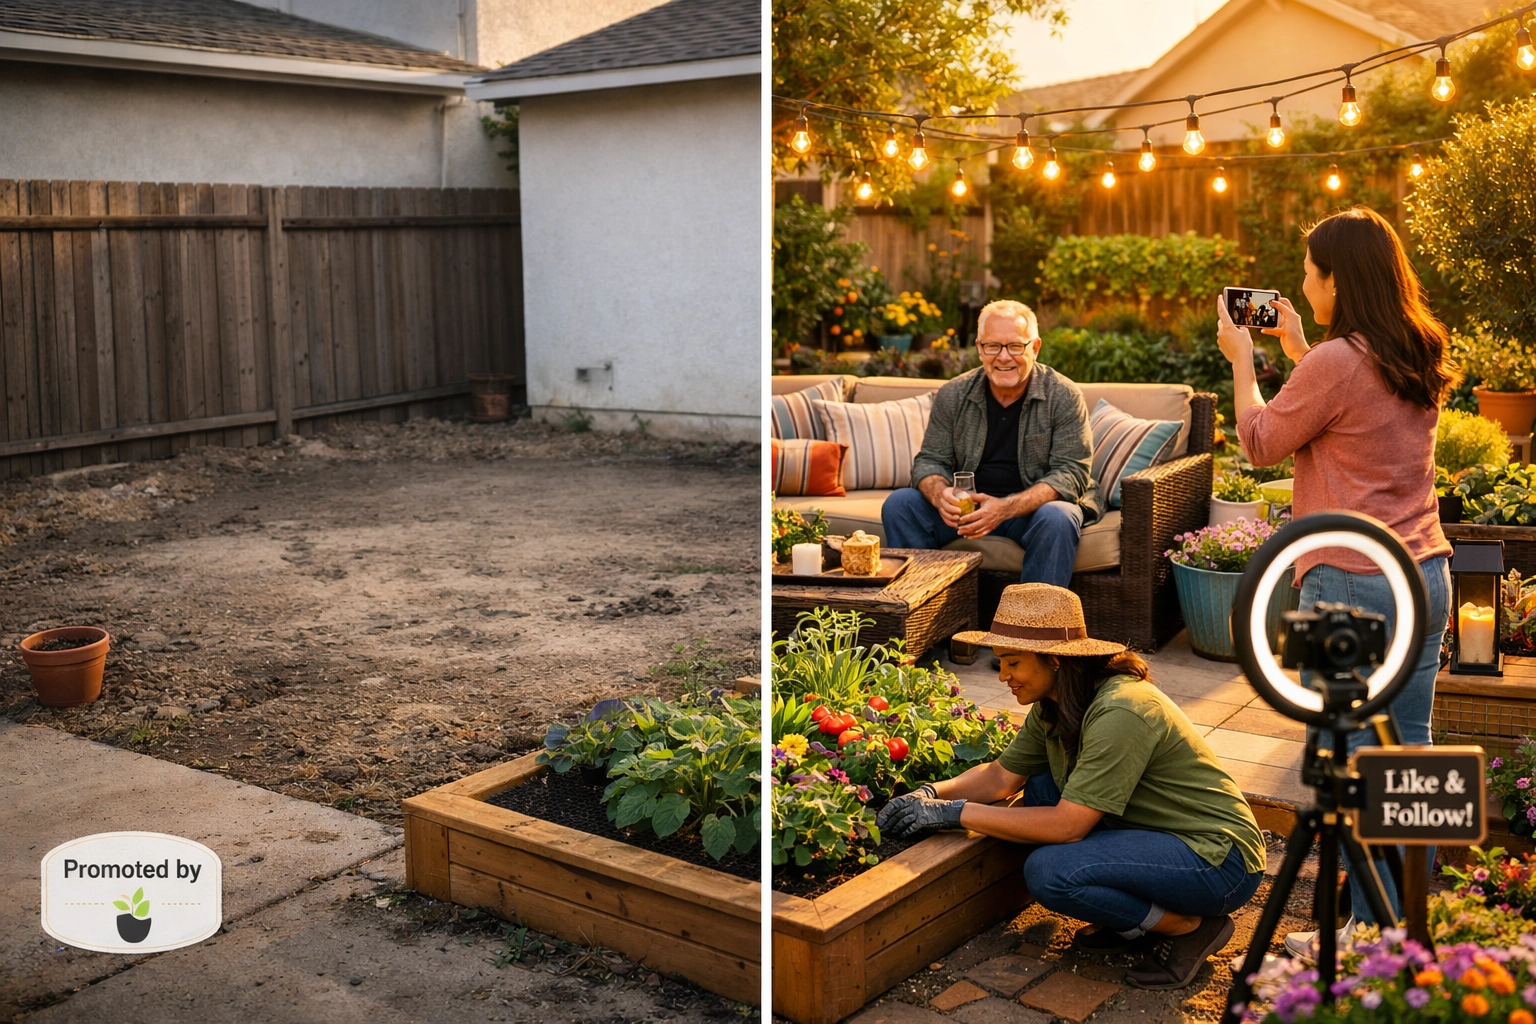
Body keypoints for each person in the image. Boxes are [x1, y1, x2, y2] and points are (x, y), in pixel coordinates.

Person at [1215, 205, 1457, 952]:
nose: (1300, 283)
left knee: (1348, 772)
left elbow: (1259, 442)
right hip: (1424, 576)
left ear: (1338, 280)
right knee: (1404, 767)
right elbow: (1353, 416)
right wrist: (1296, 345)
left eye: (1310, 272)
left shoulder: (1336, 363)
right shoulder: (1415, 344)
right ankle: (1400, 931)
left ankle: (1362, 941)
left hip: (1352, 583)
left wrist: (1242, 360)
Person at [877, 584, 1265, 990]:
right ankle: (1137, 921)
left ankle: (1186, 926)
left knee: (1051, 873)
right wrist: (929, 794)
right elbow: (1001, 778)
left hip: (1218, 861)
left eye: (1013, 663)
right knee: (1043, 788)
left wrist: (953, 813)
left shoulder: (1121, 709)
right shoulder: (1056, 703)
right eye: (1001, 663)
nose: (1003, 676)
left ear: (1056, 660)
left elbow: (1068, 827)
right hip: (1161, 834)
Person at [881, 299, 1100, 587]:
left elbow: (1071, 474)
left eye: (1015, 346)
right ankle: (925, 616)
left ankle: (1033, 627)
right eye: (993, 346)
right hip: (968, 511)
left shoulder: (1063, 396)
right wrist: (940, 495)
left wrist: (1003, 508)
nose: (1003, 357)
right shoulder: (953, 394)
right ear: (979, 347)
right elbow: (930, 461)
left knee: (1058, 518)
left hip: (1031, 510)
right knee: (901, 504)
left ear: (1034, 347)